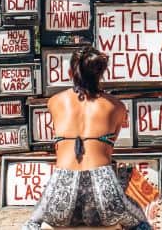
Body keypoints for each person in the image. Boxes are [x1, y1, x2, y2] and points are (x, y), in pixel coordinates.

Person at [23, 46, 151, 230]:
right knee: (141, 223)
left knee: (32, 224)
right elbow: (110, 147)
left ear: (70, 72)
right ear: (101, 73)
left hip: (61, 188)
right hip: (103, 191)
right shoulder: (117, 107)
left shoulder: (54, 102)